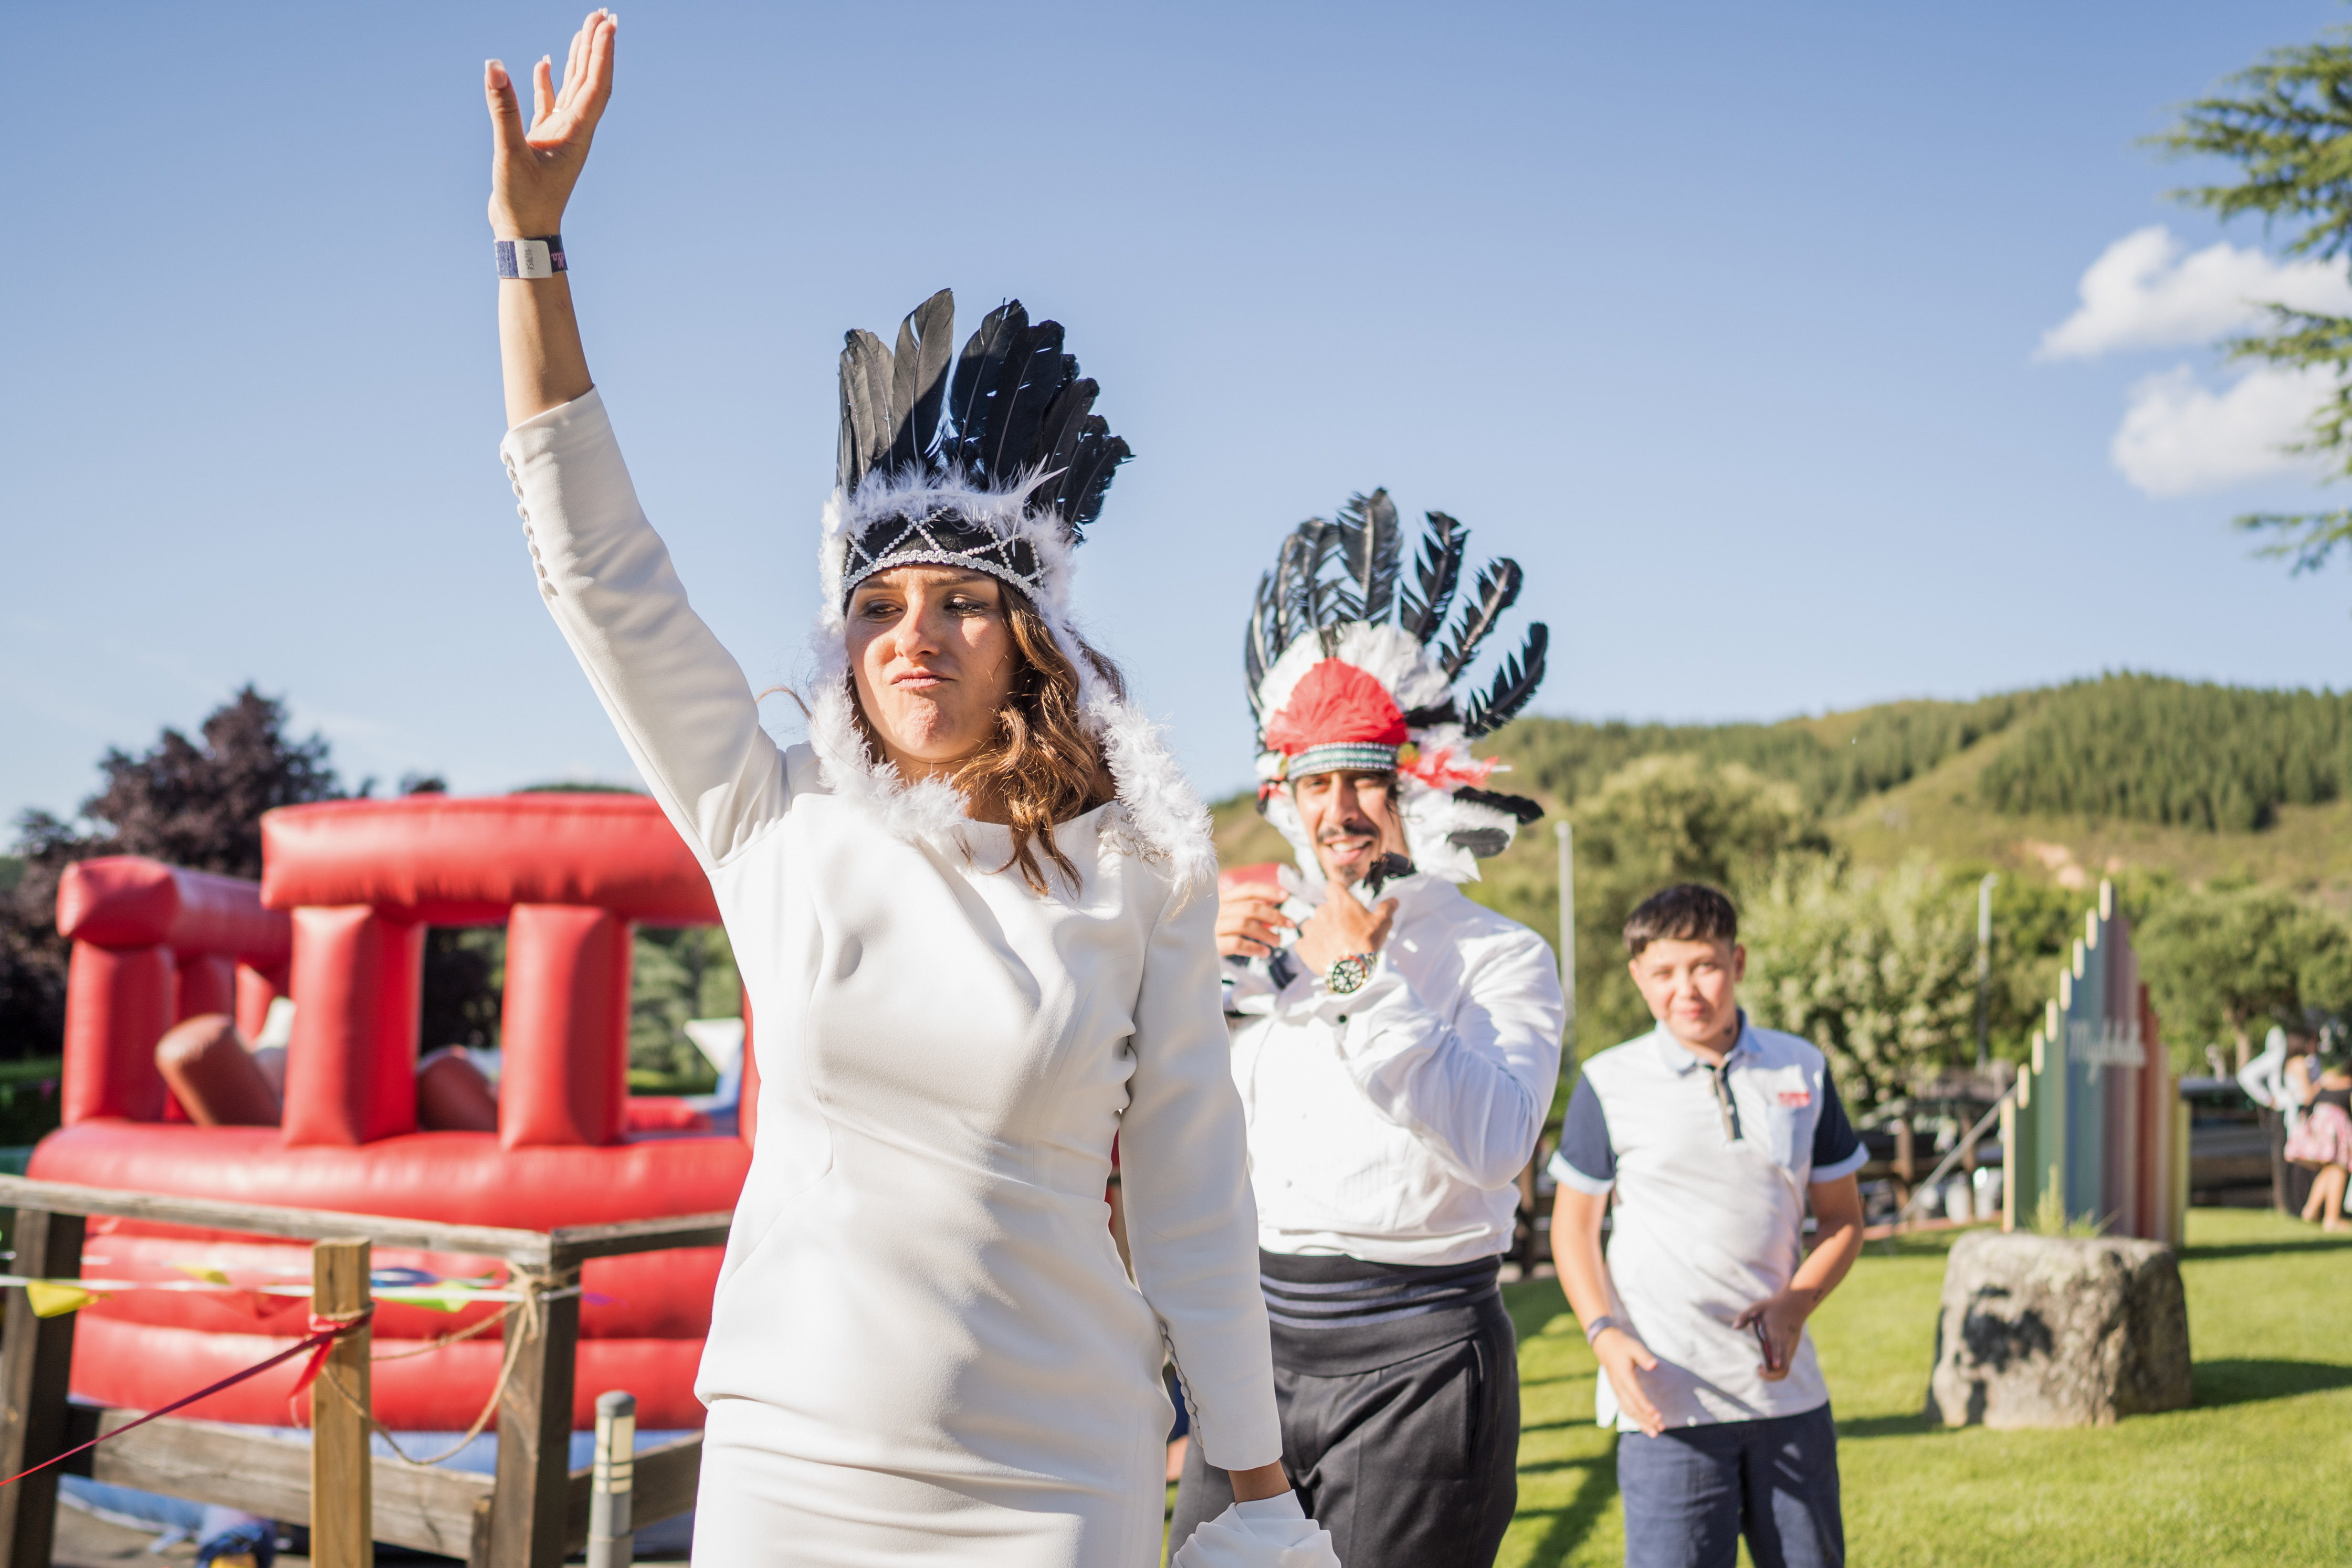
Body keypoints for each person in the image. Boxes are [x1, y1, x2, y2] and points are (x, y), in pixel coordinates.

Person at [478, 17, 1336, 1565]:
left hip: (1054, 1478)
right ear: (843, 642)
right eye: (876, 606)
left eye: (958, 602)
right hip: (789, 1466)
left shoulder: (1138, 868)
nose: (912, 634)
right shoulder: (774, 815)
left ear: (1029, 639)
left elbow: (1194, 1191)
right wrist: (530, 252)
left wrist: (1257, 1481)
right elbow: (603, 577)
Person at [1169, 496, 1567, 1567]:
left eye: (1364, 779)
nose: (1339, 809)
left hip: (1419, 1354)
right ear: (1284, 793)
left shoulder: (1502, 955)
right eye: (1315, 781)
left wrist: (1358, 977)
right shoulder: (1252, 936)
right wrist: (1183, 981)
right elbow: (1159, 1119)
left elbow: (1496, 1143)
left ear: (1416, 786)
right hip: (1252, 1345)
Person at [1549, 885, 1866, 1568]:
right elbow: (1573, 1229)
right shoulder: (1607, 1080)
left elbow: (1844, 1218)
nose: (1685, 989)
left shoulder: (1802, 1067)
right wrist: (1603, 1333)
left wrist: (1796, 1301)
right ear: (1638, 976)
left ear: (1738, 961)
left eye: (1704, 965)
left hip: (1788, 1399)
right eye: (1663, 971)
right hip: (1666, 1406)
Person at [2285, 1048, 2352, 1232]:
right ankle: (2332, 1219)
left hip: (2317, 1123)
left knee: (2329, 1168)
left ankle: (2311, 1210)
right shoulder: (2349, 1086)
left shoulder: (2328, 1079)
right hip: (2336, 1128)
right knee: (2339, 1166)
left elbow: (2311, 1096)